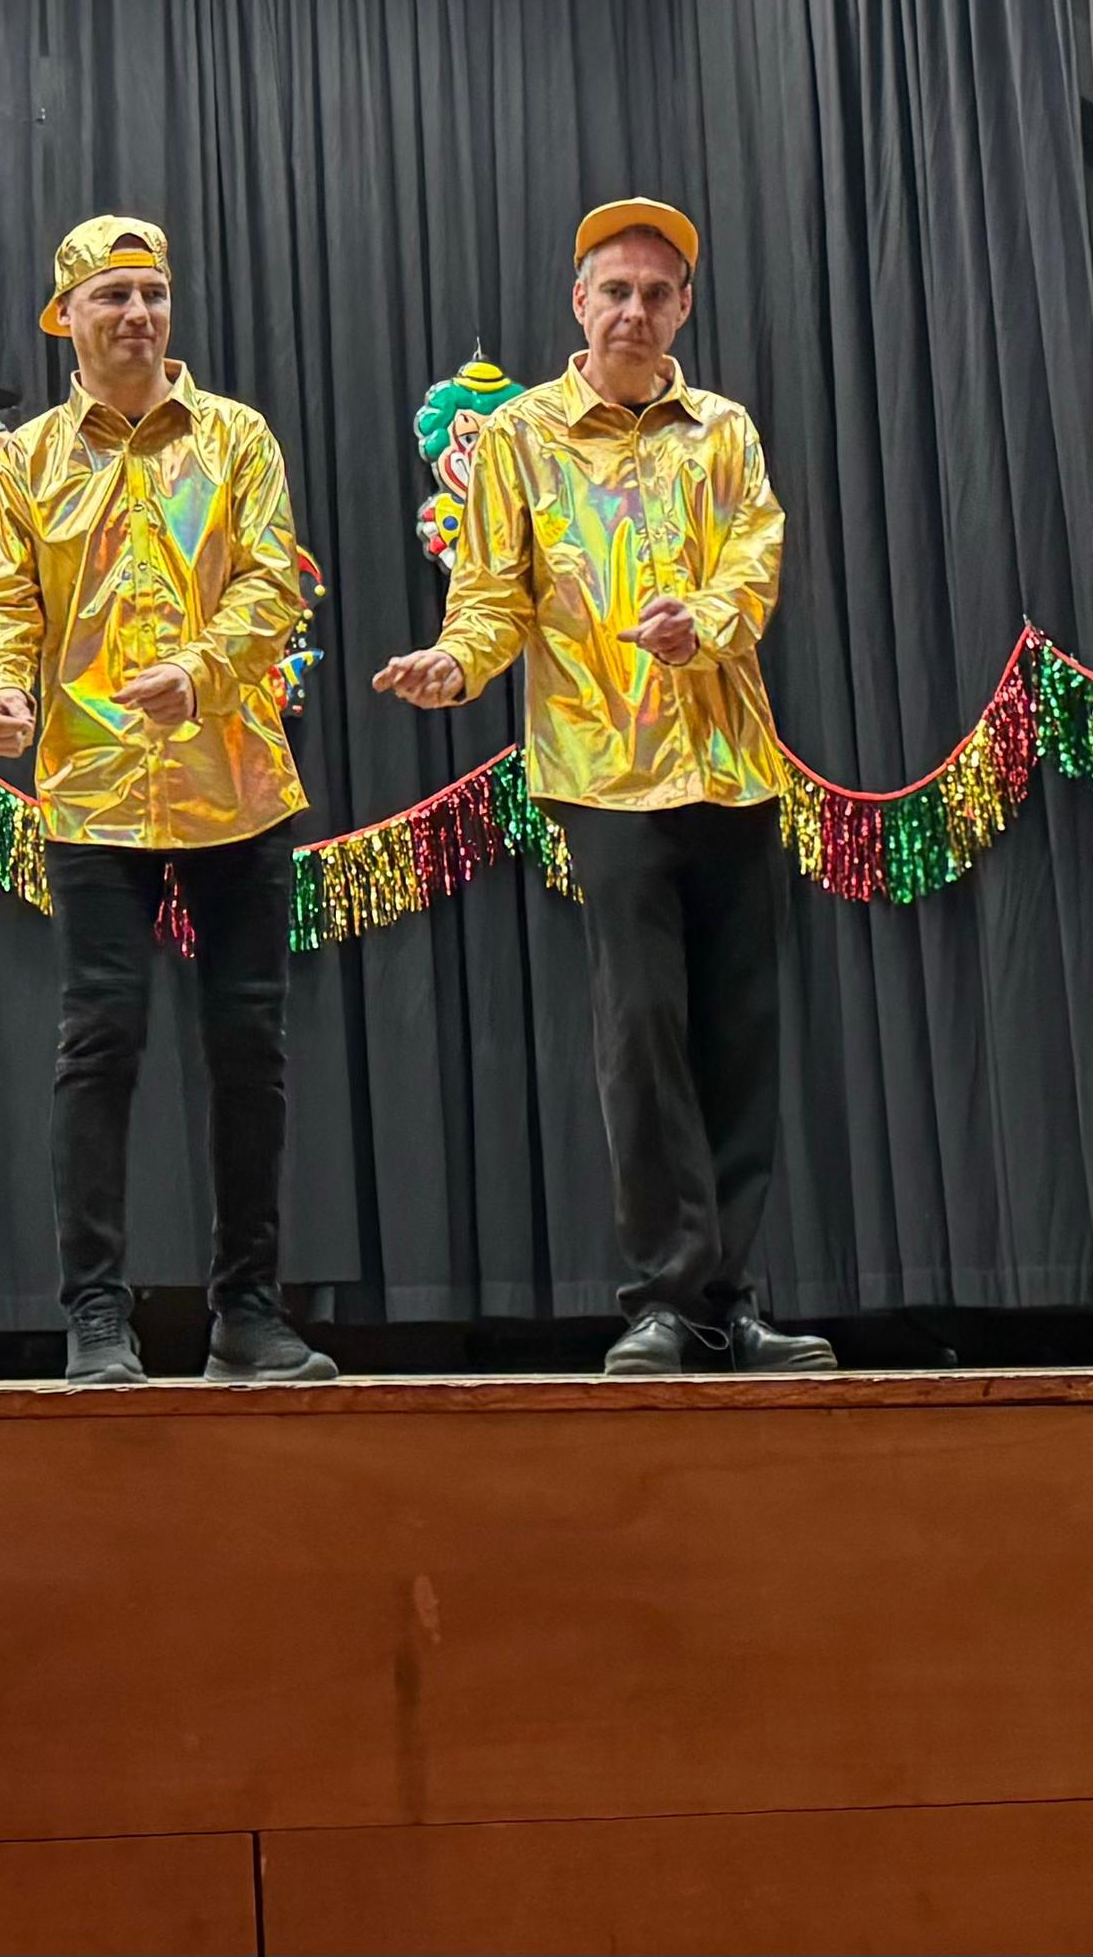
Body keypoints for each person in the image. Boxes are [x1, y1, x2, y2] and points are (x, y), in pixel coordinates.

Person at [373, 200, 836, 1378]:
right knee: (642, 1036)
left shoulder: (721, 430)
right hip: (602, 771)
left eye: (655, 293)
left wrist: (706, 622)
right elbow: (492, 594)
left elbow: (754, 562)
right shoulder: (519, 437)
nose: (634, 310)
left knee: (739, 1038)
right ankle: (663, 1299)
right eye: (614, 291)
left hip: (731, 768)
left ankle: (724, 1303)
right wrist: (455, 662)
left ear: (682, 310)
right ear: (578, 303)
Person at [0, 216, 331, 1390]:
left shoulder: (235, 437)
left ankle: (248, 1314)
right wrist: (1, 689)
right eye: (112, 295)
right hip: (90, 786)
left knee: (248, 1047)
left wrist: (202, 672)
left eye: (152, 293)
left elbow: (272, 582)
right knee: (98, 1042)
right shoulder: (26, 459)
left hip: (235, 781)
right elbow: (2, 599)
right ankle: (94, 1315)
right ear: (63, 319)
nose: (136, 314)